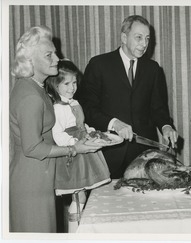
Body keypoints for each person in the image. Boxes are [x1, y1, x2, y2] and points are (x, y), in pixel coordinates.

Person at [9, 26, 103, 233]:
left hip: (40, 177)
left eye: (55, 53)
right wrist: (74, 149)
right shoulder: (31, 96)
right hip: (31, 183)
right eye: (49, 55)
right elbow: (32, 148)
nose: (57, 58)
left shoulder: (34, 87)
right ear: (30, 61)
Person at [78, 15, 178, 179]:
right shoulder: (99, 64)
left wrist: (166, 125)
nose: (144, 44)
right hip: (108, 154)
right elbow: (87, 107)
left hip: (144, 156)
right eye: (138, 38)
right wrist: (114, 123)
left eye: (147, 39)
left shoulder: (153, 69)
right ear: (124, 37)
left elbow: (158, 109)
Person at [45, 59, 111, 232]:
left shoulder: (74, 102)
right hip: (73, 156)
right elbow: (57, 135)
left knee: (83, 194)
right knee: (78, 194)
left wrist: (89, 131)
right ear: (55, 84)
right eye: (66, 83)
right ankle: (74, 231)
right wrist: (74, 144)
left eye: (74, 83)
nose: (72, 87)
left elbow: (80, 124)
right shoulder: (58, 108)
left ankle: (81, 228)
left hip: (84, 148)